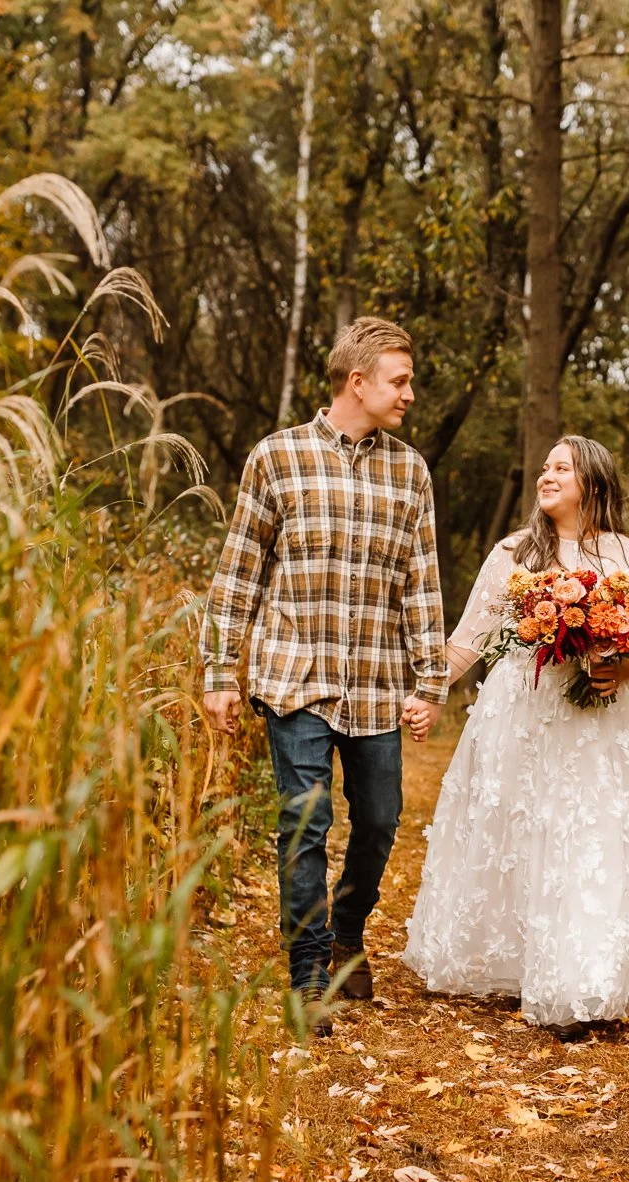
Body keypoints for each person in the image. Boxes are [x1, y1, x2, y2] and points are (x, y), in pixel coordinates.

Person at [200, 317, 447, 1032]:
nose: (409, 392)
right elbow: (238, 572)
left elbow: (421, 585)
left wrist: (428, 682)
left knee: (378, 822)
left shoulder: (411, 472)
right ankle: (309, 979)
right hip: (294, 675)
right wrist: (220, 668)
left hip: (375, 681)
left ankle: (345, 929)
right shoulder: (277, 458)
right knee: (304, 823)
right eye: (400, 380)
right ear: (358, 381)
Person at [400, 435, 629, 1042]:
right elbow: (469, 637)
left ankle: (584, 976)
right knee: (524, 829)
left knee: (590, 830)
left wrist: (616, 668)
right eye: (544, 467)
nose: (547, 476)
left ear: (592, 481)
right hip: (525, 708)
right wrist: (429, 691)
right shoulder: (516, 553)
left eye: (561, 468)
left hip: (600, 717)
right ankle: (522, 961)